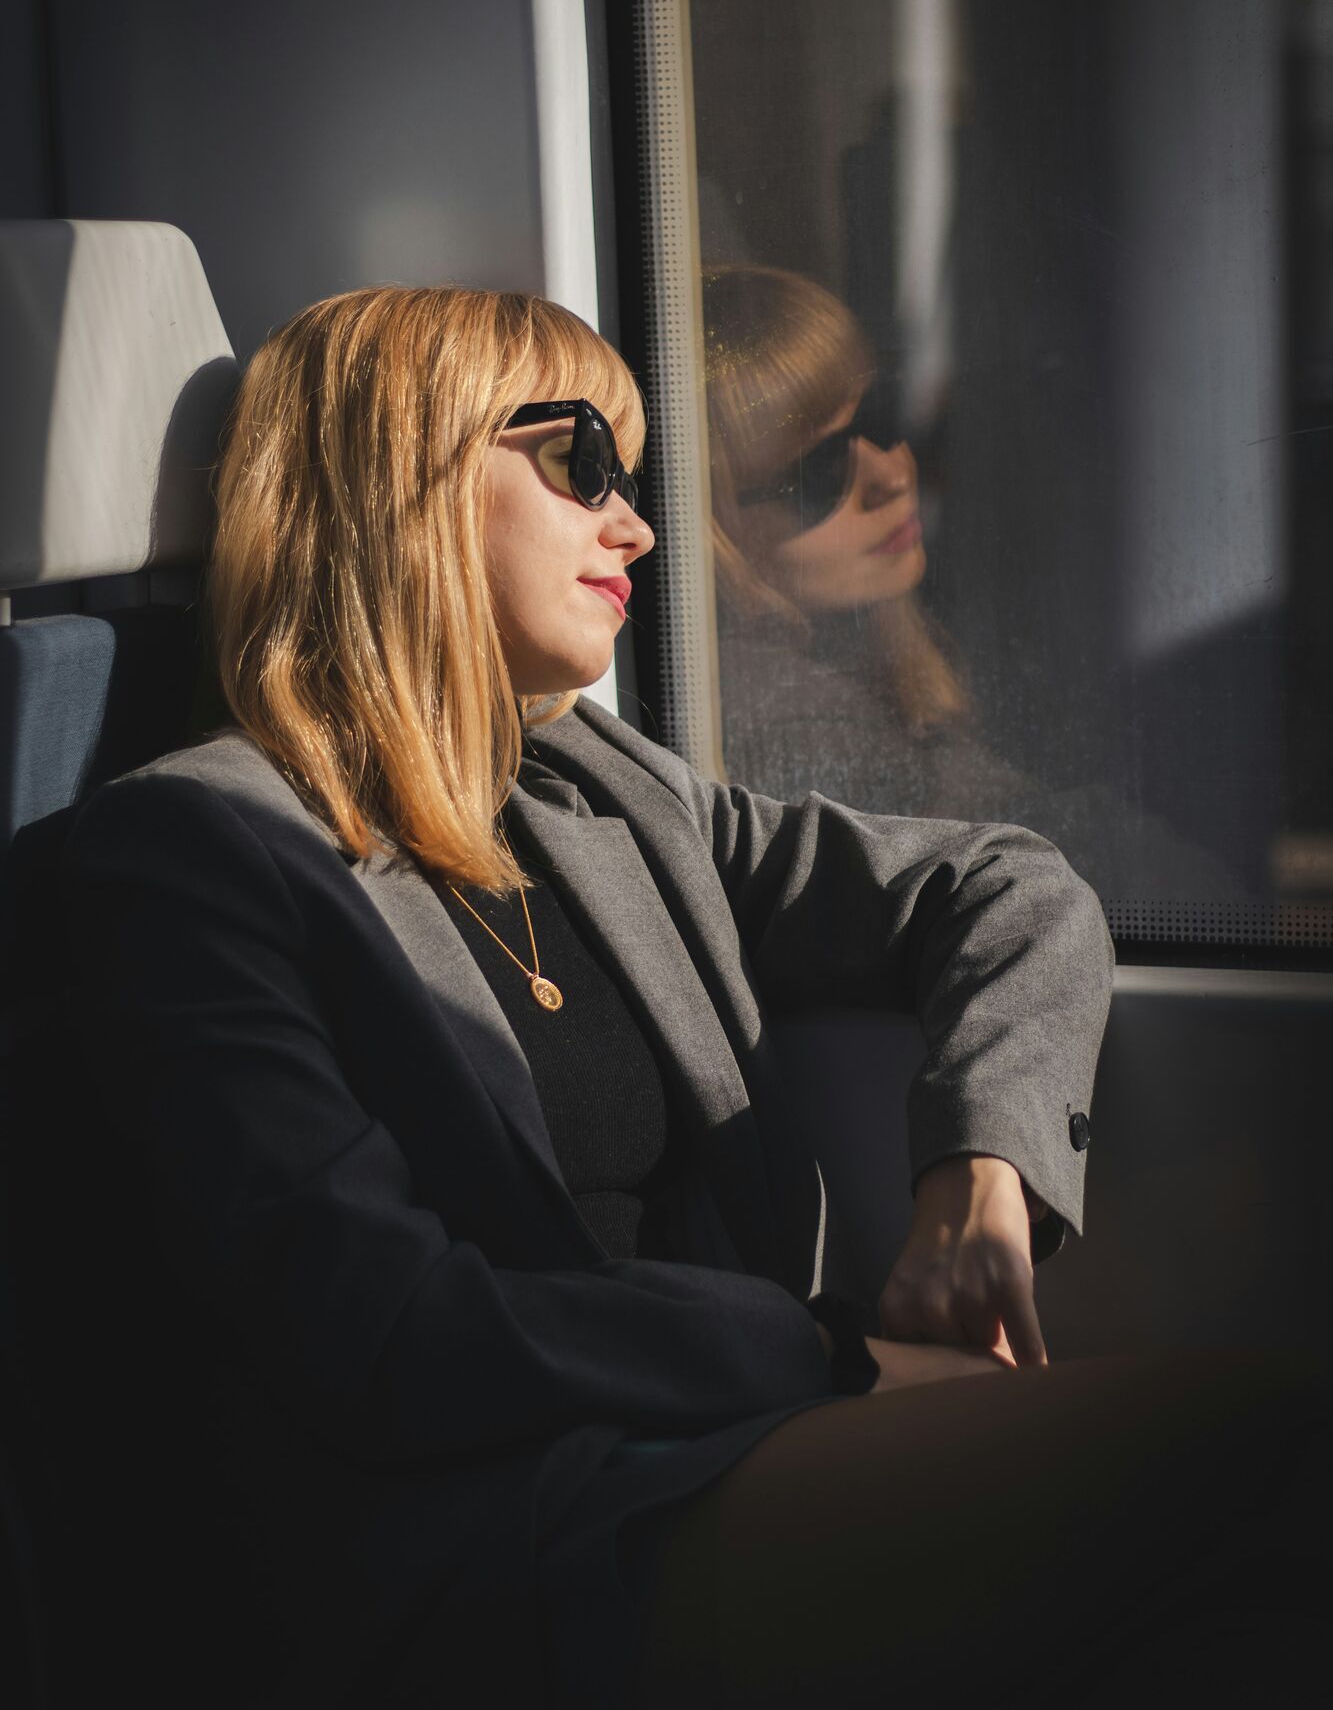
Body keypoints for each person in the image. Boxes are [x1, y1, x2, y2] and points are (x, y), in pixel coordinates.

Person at [55, 286, 1323, 1710]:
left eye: (638, 479)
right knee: (1270, 1456)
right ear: (395, 479)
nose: (638, 526)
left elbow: (1006, 884)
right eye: (580, 461)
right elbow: (387, 1335)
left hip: (719, 1449)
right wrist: (833, 1350)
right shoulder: (190, 859)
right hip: (507, 1539)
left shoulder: (604, 790)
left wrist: (985, 1166)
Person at [702, 262, 1236, 901]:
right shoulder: (774, 728)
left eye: (880, 414)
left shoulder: (842, 660)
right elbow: (1023, 875)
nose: (893, 473)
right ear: (715, 527)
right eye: (822, 467)